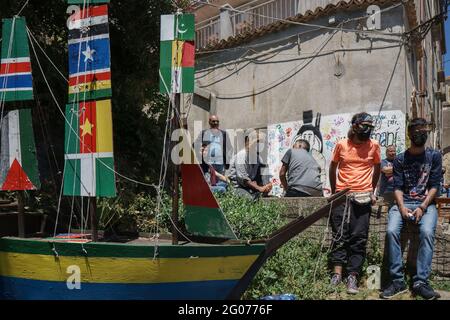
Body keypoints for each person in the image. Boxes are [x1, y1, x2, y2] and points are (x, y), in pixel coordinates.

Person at [381, 118, 442, 300]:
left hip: (426, 205)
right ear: (409, 134)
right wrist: (401, 207)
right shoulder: (400, 159)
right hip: (403, 203)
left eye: (423, 130)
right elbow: (397, 187)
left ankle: (421, 282)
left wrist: (422, 207)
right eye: (416, 130)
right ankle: (397, 281)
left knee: (426, 232)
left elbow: (434, 185)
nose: (420, 133)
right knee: (391, 230)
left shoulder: (434, 156)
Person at [328, 112, 381, 294]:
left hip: (363, 197)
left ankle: (353, 276)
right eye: (364, 125)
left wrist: (371, 190)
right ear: (355, 125)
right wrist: (335, 192)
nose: (368, 130)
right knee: (339, 234)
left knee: (358, 237)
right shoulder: (341, 145)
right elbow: (333, 167)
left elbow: (377, 168)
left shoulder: (374, 146)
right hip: (342, 196)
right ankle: (337, 274)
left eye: (370, 127)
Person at [228, 131, 272, 200]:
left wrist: (267, 185)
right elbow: (243, 179)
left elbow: (262, 173)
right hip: (238, 187)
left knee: (264, 166)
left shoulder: (258, 157)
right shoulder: (241, 156)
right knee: (250, 199)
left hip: (250, 187)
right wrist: (259, 188)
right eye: (257, 142)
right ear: (248, 141)